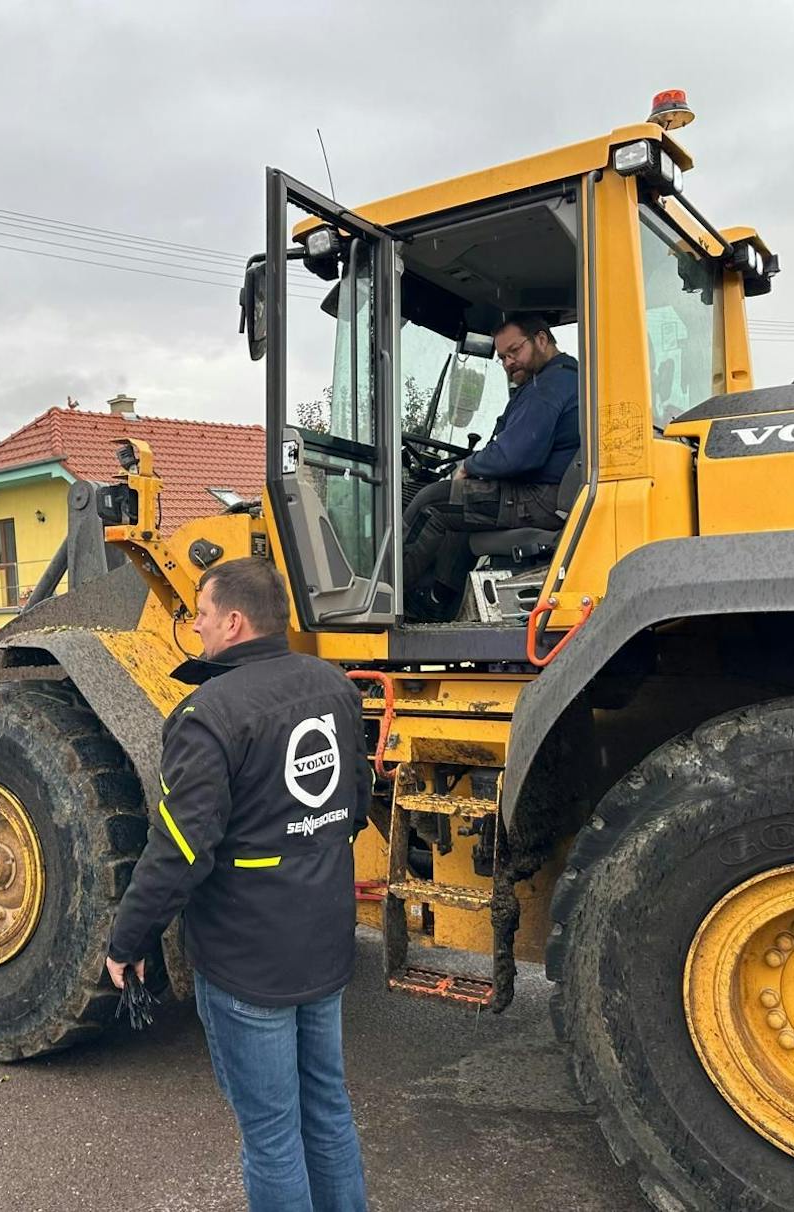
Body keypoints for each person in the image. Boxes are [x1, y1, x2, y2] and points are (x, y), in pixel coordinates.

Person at [106, 557, 371, 1212]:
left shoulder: (206, 715)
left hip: (249, 961)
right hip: (326, 943)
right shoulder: (334, 686)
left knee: (273, 1134)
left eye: (198, 615)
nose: (193, 629)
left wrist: (126, 940)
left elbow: (179, 851)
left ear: (233, 620)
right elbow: (357, 806)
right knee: (328, 1111)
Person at [402, 312, 579, 621]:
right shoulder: (566, 377)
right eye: (503, 357)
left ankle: (387, 593)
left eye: (515, 351)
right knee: (464, 507)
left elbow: (518, 454)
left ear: (541, 339)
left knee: (431, 502)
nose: (510, 362)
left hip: (540, 497)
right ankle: (437, 600)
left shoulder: (549, 384)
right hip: (549, 494)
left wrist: (470, 465)